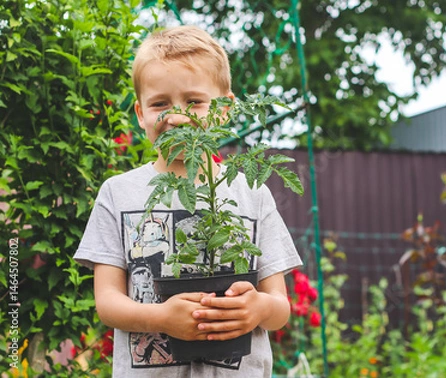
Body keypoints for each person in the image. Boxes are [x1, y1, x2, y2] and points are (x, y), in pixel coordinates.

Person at [74, 25, 302, 377]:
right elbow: (107, 303)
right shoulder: (117, 193)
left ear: (224, 108)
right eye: (160, 104)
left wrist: (256, 308)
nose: (177, 117)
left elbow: (279, 307)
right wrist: (161, 317)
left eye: (194, 101)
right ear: (140, 113)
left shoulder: (252, 194)